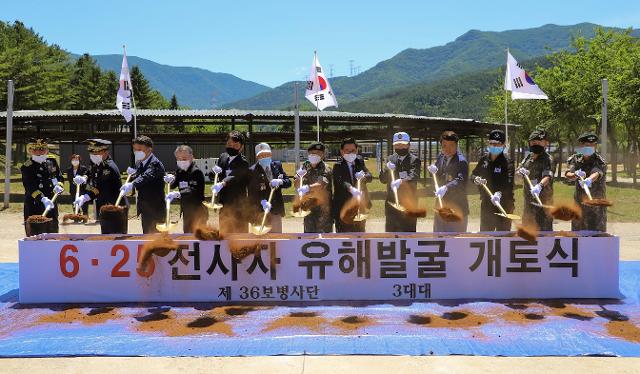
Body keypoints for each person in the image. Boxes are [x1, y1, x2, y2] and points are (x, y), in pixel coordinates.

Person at [74, 139, 128, 234]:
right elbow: (91, 172)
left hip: (115, 207)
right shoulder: (97, 164)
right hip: (105, 205)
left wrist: (86, 196)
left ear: (106, 152)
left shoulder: (108, 167)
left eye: (97, 152)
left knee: (115, 237)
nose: (94, 155)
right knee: (105, 235)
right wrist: (85, 177)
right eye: (92, 153)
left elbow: (100, 188)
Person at [120, 135, 166, 234]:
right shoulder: (139, 163)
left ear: (149, 149)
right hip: (145, 207)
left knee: (157, 239)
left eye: (140, 149)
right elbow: (140, 176)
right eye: (135, 149)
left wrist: (132, 184)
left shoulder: (155, 164)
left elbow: (146, 176)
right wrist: (132, 175)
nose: (136, 152)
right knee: (147, 236)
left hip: (156, 208)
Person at [471, 129, 515, 231]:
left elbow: (508, 182)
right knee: (486, 235)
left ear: (504, 145)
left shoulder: (508, 162)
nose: (494, 146)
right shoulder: (484, 160)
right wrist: (476, 179)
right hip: (487, 204)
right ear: (488, 144)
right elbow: (473, 174)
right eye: (492, 143)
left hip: (504, 204)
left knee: (502, 238)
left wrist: (499, 193)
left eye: (498, 144)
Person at [565, 132, 607, 232]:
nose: (590, 147)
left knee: (596, 236)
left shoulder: (599, 160)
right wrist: (575, 174)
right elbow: (567, 174)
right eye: (587, 145)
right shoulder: (575, 159)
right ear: (581, 145)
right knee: (577, 237)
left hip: (595, 207)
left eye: (593, 145)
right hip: (579, 205)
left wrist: (589, 180)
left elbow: (597, 172)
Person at [379, 131, 421, 232]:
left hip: (408, 204)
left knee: (408, 234)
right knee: (391, 234)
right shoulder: (390, 159)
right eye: (397, 145)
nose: (400, 148)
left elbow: (414, 176)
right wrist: (386, 170)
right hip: (392, 204)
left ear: (409, 145)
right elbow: (382, 180)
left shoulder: (414, 160)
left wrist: (401, 181)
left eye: (403, 145)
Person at [21, 138, 64, 235]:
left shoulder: (51, 161)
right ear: (30, 151)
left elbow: (59, 176)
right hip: (34, 205)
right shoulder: (27, 167)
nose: (39, 152)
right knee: (35, 236)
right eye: (35, 150)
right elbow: (30, 187)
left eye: (41, 149)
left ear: (47, 150)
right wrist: (43, 199)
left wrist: (59, 185)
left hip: (51, 202)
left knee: (53, 233)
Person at [210, 130, 250, 233]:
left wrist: (222, 183)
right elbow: (215, 174)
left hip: (239, 204)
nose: (231, 147)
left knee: (240, 233)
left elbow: (234, 175)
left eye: (235, 145)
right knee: (225, 232)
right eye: (229, 144)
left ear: (241, 147)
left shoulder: (243, 162)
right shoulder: (223, 157)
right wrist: (213, 172)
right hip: (224, 203)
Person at [247, 143, 292, 233]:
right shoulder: (252, 171)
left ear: (271, 154)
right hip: (260, 212)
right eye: (261, 155)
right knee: (262, 240)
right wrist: (262, 202)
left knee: (277, 238)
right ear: (257, 157)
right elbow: (252, 193)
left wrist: (281, 181)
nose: (264, 157)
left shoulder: (277, 166)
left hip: (275, 209)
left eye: (267, 154)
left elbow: (288, 183)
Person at [430, 130, 469, 232]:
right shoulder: (441, 157)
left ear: (457, 145)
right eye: (444, 146)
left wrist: (446, 187)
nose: (447, 149)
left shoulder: (461, 161)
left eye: (451, 145)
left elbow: (460, 180)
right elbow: (438, 174)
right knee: (438, 238)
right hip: (441, 206)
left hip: (456, 208)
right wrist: (433, 171)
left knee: (454, 241)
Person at [332, 137, 372, 232]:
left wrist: (364, 176)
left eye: (353, 150)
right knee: (344, 237)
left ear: (357, 150)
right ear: (342, 152)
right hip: (344, 207)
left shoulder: (360, 162)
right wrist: (351, 189)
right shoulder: (337, 166)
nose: (350, 153)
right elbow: (341, 181)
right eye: (347, 150)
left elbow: (369, 175)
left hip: (359, 207)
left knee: (359, 236)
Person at [164, 145, 208, 233]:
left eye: (184, 159)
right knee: (187, 234)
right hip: (186, 210)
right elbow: (173, 185)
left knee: (198, 236)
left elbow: (193, 190)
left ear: (192, 157)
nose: (181, 162)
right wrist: (169, 180)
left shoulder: (196, 172)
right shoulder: (180, 171)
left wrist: (178, 194)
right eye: (178, 159)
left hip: (198, 211)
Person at [518, 129, 554, 231]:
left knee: (544, 237)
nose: (535, 145)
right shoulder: (527, 158)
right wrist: (519, 172)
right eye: (533, 142)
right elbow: (518, 173)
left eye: (539, 142)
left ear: (545, 143)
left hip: (543, 205)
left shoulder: (548, 159)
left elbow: (548, 176)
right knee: (527, 235)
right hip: (528, 205)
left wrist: (539, 186)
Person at [296, 141, 333, 233]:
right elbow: (296, 182)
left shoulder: (326, 168)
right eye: (312, 153)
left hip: (323, 212)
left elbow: (321, 184)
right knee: (308, 237)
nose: (315, 155)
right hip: (308, 209)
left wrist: (307, 188)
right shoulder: (305, 166)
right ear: (308, 154)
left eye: (318, 153)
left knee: (324, 239)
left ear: (323, 155)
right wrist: (298, 179)